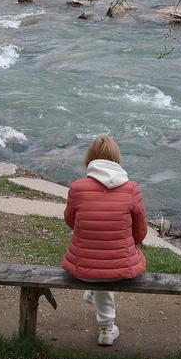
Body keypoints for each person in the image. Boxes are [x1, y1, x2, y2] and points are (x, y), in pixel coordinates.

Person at [61, 135, 148, 346]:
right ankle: (107, 329)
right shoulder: (131, 189)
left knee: (100, 266)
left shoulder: (77, 188)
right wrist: (126, 242)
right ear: (116, 159)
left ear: (90, 159)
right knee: (108, 264)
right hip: (120, 268)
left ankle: (94, 295)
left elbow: (70, 222)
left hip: (83, 267)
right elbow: (141, 232)